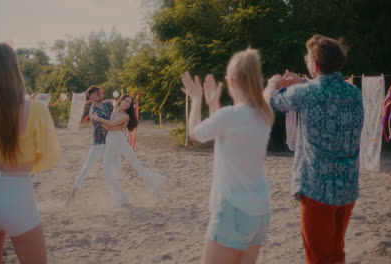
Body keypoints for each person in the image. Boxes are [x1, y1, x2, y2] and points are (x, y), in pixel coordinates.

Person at [264, 34, 364, 264]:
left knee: (318, 257)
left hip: (317, 190)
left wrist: (274, 81)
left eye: (308, 57)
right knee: (336, 253)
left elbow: (272, 100)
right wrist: (304, 82)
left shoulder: (307, 94)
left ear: (315, 64)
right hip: (347, 189)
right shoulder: (354, 93)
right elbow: (326, 92)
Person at [0, 43, 60, 264]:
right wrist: (28, 165)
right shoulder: (35, 110)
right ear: (15, 69)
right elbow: (49, 154)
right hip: (17, 191)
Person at [182, 48, 274, 264]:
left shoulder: (232, 116)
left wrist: (196, 100)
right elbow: (226, 135)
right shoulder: (263, 115)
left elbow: (196, 133)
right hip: (259, 212)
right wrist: (213, 105)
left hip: (232, 211)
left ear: (231, 81)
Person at [90, 94, 166, 207]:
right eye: (126, 101)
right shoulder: (114, 107)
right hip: (110, 143)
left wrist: (97, 119)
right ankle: (121, 197)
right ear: (120, 101)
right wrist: (97, 105)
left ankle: (157, 192)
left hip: (120, 142)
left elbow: (110, 125)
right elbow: (111, 101)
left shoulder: (126, 116)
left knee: (138, 167)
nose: (128, 104)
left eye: (130, 103)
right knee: (106, 172)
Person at [67, 86, 126, 203]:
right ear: (91, 96)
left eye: (100, 93)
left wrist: (115, 105)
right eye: (98, 94)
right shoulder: (93, 112)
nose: (100, 95)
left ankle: (118, 199)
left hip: (110, 143)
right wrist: (119, 124)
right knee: (86, 169)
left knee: (116, 170)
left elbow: (113, 101)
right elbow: (107, 127)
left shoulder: (105, 104)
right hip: (98, 144)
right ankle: (71, 196)